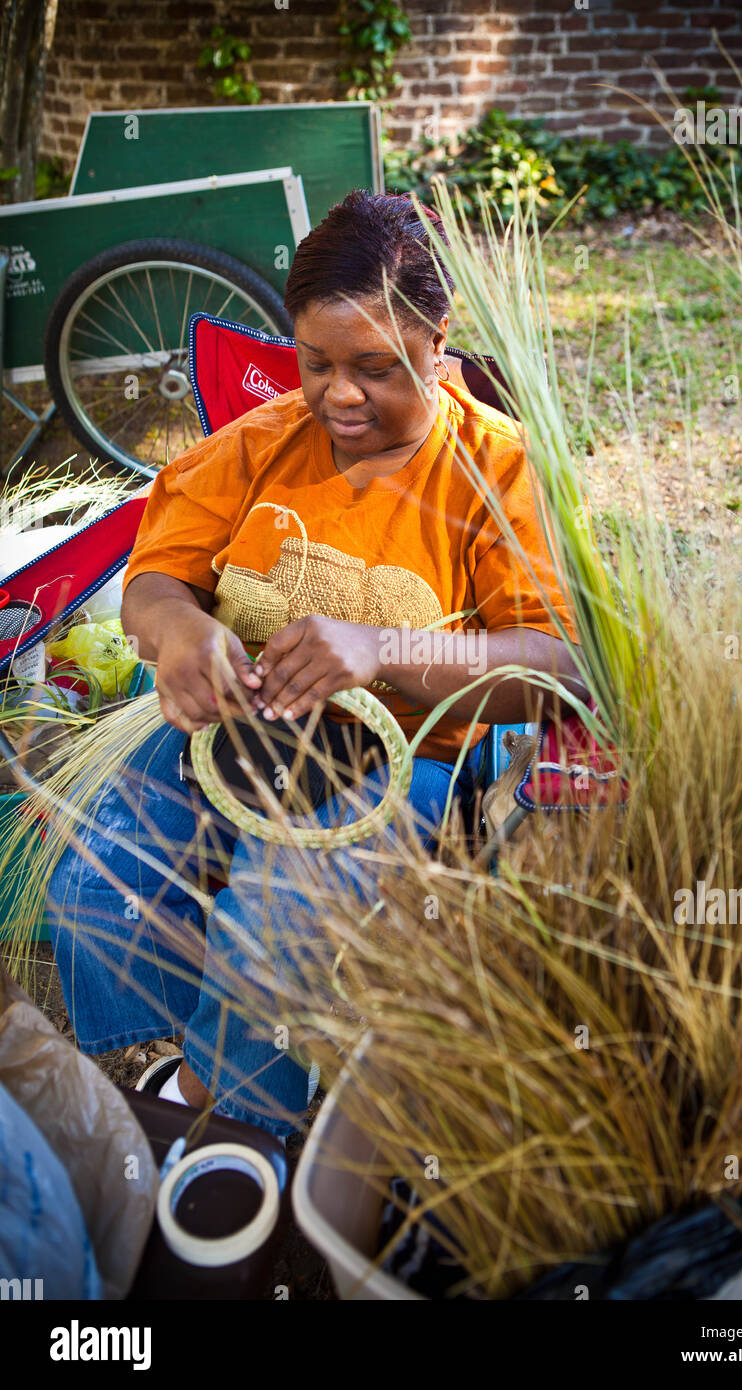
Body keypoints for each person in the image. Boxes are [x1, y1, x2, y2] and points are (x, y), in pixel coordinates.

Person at [47, 189, 585, 1137]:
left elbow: (555, 668)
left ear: (438, 339)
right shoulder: (256, 447)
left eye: (377, 368)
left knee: (273, 928)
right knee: (99, 875)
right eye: (316, 364)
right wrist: (177, 632)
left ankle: (233, 1125)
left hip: (416, 760)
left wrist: (386, 649)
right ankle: (180, 1058)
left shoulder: (495, 470)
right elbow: (155, 580)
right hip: (240, 734)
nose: (340, 395)